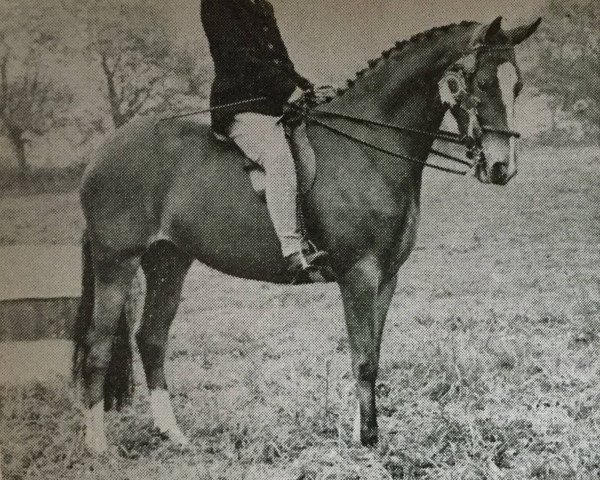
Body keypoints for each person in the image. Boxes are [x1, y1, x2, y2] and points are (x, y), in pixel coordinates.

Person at [200, 0, 328, 281]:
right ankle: (293, 251)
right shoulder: (217, 4)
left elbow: (280, 61)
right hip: (240, 105)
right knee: (277, 157)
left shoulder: (263, 5)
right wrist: (286, 90)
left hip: (272, 105)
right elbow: (236, 58)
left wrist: (304, 87)